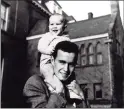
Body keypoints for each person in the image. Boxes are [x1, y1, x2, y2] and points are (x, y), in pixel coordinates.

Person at [23, 41, 90, 108]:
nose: (66, 69)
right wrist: (58, 93)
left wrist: (81, 95)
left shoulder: (74, 86)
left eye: (71, 64)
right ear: (52, 60)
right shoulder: (36, 83)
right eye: (62, 62)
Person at [37, 13, 83, 98]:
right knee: (50, 75)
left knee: (71, 77)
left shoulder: (65, 39)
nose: (54, 26)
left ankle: (71, 92)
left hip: (60, 65)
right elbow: (40, 47)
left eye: (57, 24)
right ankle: (54, 90)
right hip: (47, 62)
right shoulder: (47, 36)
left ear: (64, 27)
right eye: (52, 24)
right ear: (48, 26)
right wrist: (47, 51)